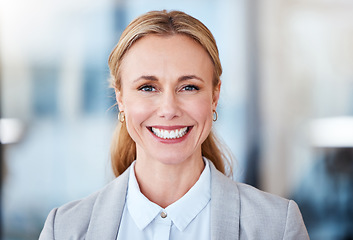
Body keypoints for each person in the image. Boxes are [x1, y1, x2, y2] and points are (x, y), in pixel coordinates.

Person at [39, 10, 309, 240]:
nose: (168, 109)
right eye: (148, 87)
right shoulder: (64, 229)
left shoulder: (277, 226)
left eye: (189, 87)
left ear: (215, 96)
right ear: (121, 99)